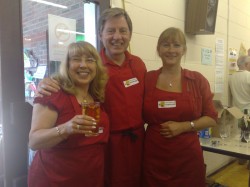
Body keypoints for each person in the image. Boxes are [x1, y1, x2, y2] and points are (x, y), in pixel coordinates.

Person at [35, 8, 146, 187]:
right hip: (105, 144)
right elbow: (68, 81)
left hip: (136, 142)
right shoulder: (93, 66)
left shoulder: (139, 65)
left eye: (123, 30)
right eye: (111, 31)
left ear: (130, 34)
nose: (117, 37)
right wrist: (45, 83)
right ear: (101, 34)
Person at [142, 27, 217, 187]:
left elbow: (211, 118)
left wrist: (184, 126)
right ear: (158, 49)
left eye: (176, 45)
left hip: (187, 157)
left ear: (184, 50)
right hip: (154, 156)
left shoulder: (197, 80)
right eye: (165, 45)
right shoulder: (147, 79)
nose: (171, 50)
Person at [28, 41, 109, 187]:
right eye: (76, 59)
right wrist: (66, 129)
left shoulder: (96, 96)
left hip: (91, 178)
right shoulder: (52, 93)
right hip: (55, 179)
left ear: (96, 67)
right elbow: (34, 141)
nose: (83, 65)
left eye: (90, 60)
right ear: (67, 65)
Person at [229, 55, 250, 166]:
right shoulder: (249, 76)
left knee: (243, 135)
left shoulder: (232, 77)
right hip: (249, 110)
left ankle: (242, 159)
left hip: (238, 111)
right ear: (246, 64)